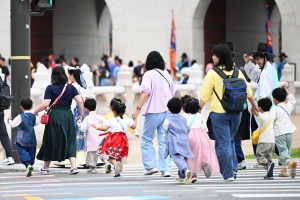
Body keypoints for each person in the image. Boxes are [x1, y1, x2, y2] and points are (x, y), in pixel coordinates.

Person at [200, 44, 257, 181]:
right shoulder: (238, 71)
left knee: (224, 143)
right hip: (237, 112)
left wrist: (197, 111)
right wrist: (254, 106)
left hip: (219, 114)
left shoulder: (212, 73)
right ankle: (232, 168)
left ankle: (229, 173)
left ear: (219, 57)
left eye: (214, 55)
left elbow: (205, 96)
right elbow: (248, 91)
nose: (213, 57)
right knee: (229, 141)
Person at [132, 51, 175, 177]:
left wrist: (138, 109)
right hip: (167, 111)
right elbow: (173, 91)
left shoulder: (148, 74)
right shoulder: (167, 74)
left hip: (153, 111)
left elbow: (145, 93)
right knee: (164, 141)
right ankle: (166, 168)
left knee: (146, 139)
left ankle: (151, 166)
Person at [34, 67, 84, 175]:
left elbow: (46, 104)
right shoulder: (71, 88)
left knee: (51, 139)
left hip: (55, 115)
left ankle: (46, 168)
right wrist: (80, 115)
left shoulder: (50, 88)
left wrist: (35, 111)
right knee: (70, 139)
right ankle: (74, 167)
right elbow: (80, 102)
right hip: (68, 115)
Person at [243, 42, 280, 157]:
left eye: (259, 59)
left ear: (265, 58)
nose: (257, 61)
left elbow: (264, 92)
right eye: (256, 59)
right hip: (271, 108)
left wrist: (259, 109)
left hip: (264, 108)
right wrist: (248, 62)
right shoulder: (271, 69)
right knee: (269, 134)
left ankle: (261, 157)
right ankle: (284, 156)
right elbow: (255, 74)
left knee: (256, 130)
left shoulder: (265, 72)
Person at [90, 102, 137, 179]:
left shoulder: (111, 120)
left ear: (113, 112)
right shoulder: (127, 120)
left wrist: (96, 127)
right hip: (123, 141)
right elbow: (134, 126)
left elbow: (104, 128)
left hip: (114, 140)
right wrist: (135, 119)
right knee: (119, 158)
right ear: (124, 112)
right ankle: (118, 172)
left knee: (111, 157)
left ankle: (115, 165)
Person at [181, 95, 219, 183]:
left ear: (184, 108)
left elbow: (183, 128)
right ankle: (204, 163)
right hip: (203, 136)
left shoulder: (184, 116)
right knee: (202, 153)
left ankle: (193, 174)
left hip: (190, 137)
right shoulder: (199, 116)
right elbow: (205, 128)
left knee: (191, 156)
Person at [163, 97, 194, 184]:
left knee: (177, 158)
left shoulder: (167, 120)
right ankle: (181, 176)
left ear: (168, 109)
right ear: (181, 108)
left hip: (174, 142)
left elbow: (165, 132)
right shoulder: (184, 119)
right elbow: (188, 128)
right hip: (184, 140)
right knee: (183, 159)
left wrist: (165, 140)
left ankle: (186, 170)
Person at [7, 98, 39, 177]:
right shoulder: (34, 116)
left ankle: (28, 165)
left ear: (21, 107)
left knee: (23, 153)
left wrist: (8, 120)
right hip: (32, 139)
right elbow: (37, 122)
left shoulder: (20, 116)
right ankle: (30, 165)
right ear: (32, 106)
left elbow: (13, 124)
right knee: (31, 153)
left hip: (21, 139)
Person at [271, 84, 297, 178]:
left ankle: (290, 163)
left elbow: (270, 120)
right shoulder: (287, 106)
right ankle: (284, 170)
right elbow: (292, 99)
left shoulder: (275, 110)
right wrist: (286, 89)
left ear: (274, 99)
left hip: (279, 132)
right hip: (290, 131)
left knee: (283, 151)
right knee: (287, 150)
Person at [78, 98, 107, 174]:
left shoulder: (87, 118)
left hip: (91, 140)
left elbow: (83, 129)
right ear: (95, 107)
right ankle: (107, 163)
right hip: (100, 139)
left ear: (86, 109)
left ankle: (92, 168)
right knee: (101, 153)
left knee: (92, 154)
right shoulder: (100, 117)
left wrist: (79, 124)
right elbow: (106, 125)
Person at [68, 66, 88, 165]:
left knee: (76, 132)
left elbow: (74, 102)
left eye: (69, 75)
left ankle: (75, 157)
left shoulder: (74, 86)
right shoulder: (82, 86)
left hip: (76, 111)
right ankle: (84, 156)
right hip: (83, 111)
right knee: (82, 134)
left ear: (72, 75)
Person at [252, 98, 275, 179]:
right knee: (268, 158)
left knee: (260, 156)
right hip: (272, 142)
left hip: (264, 141)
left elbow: (262, 118)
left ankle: (268, 165)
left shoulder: (263, 116)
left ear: (260, 108)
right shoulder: (271, 116)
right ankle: (269, 172)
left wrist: (256, 113)